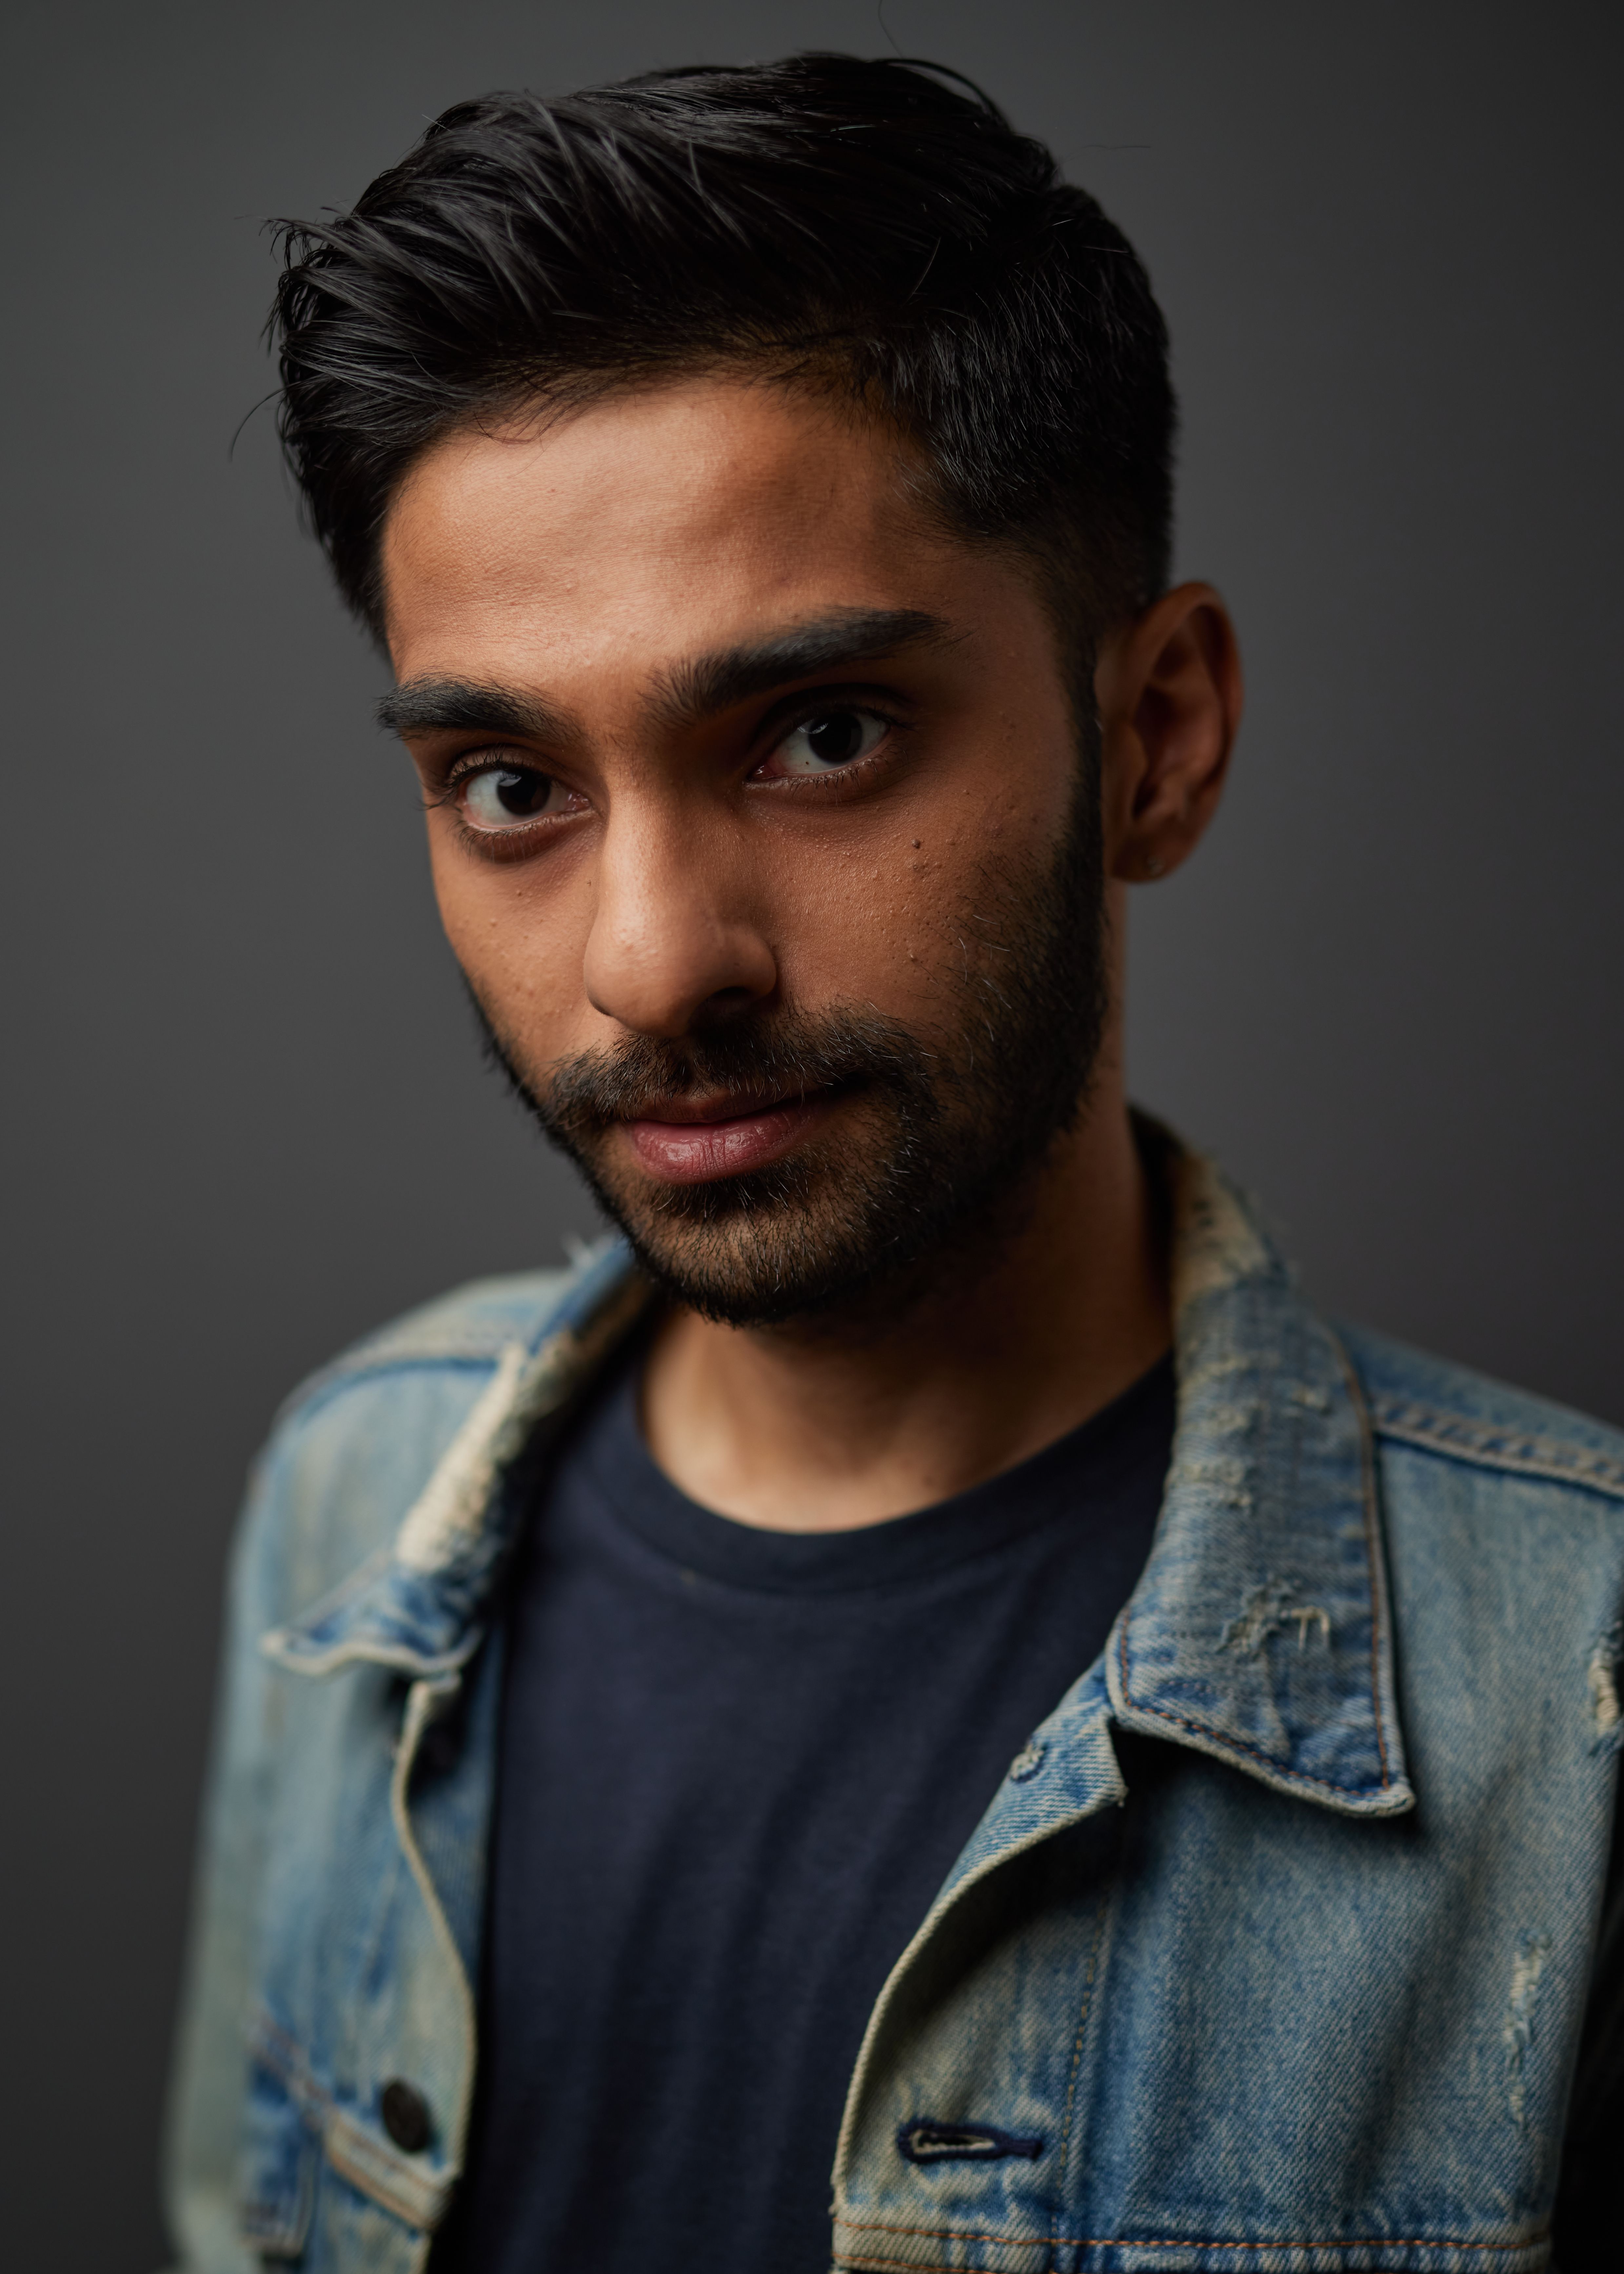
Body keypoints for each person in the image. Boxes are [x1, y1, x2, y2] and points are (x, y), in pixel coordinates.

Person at [165, 53, 1621, 2274]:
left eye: (821, 735)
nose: (653, 968)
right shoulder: (347, 1499)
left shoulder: (1581, 1703)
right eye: (506, 784)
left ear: (1157, 737)